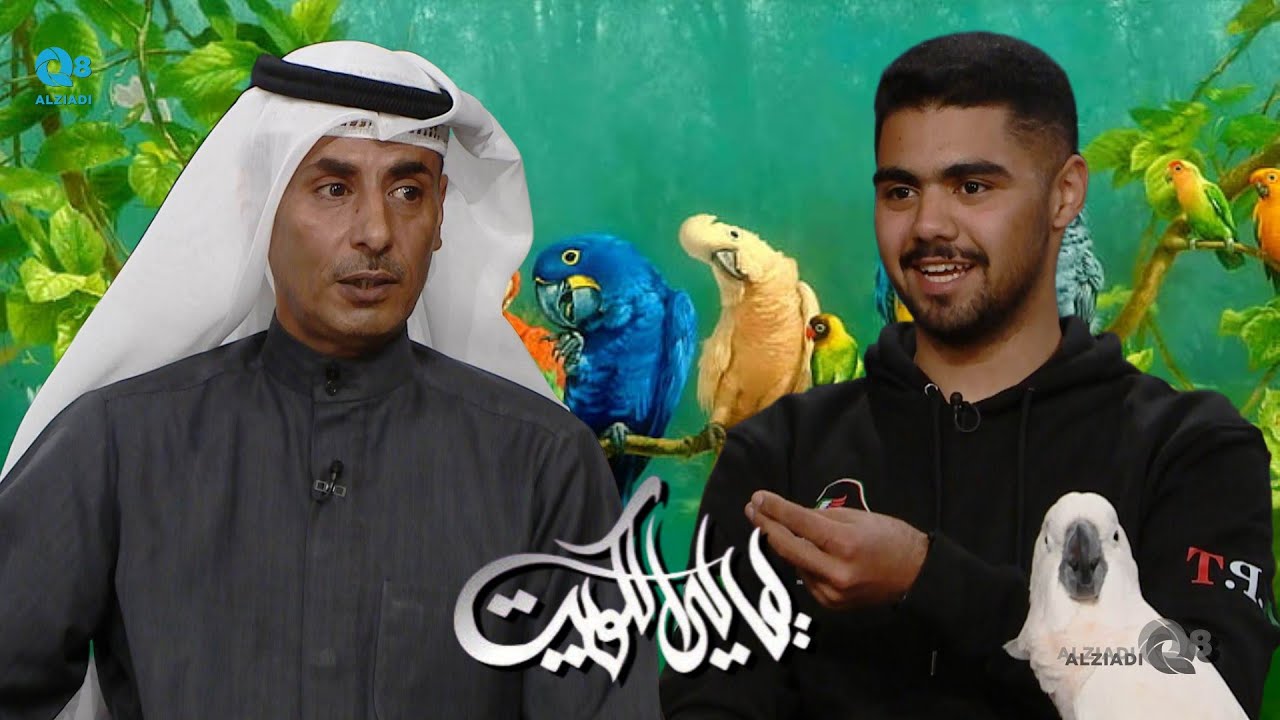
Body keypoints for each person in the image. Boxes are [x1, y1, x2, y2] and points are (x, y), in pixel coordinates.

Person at [0, 41, 659, 719]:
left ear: (439, 217)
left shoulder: (543, 464)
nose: (376, 231)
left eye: (407, 191)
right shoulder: (119, 444)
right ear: (261, 204)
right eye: (334, 189)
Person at [660, 31, 1278, 719]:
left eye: (972, 186)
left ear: (1064, 194)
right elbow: (707, 702)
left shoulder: (1191, 451)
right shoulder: (779, 452)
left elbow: (1203, 696)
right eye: (901, 191)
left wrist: (928, 578)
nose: (929, 224)